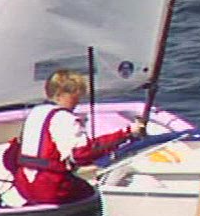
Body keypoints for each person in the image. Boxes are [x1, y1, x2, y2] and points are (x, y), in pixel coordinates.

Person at [9, 69, 145, 206]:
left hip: (23, 184)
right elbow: (81, 154)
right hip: (51, 189)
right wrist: (126, 133)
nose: (78, 101)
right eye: (75, 96)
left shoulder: (36, 112)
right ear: (61, 94)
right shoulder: (65, 118)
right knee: (91, 193)